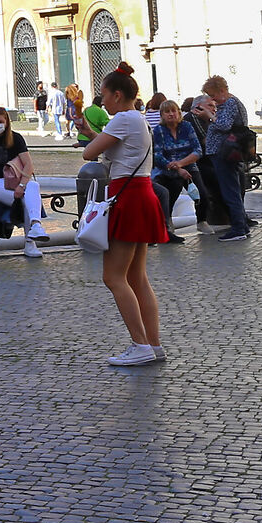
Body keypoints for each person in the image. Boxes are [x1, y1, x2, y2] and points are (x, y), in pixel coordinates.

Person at [82, 71, 167, 366]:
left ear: (117, 95)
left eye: (104, 95)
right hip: (141, 194)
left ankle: (139, 344)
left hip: (127, 197)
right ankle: (152, 344)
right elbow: (118, 151)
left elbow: (89, 154)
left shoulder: (122, 119)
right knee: (137, 277)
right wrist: (95, 134)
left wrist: (91, 137)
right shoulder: (137, 120)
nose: (102, 102)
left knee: (113, 277)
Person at [0, 105, 48, 257]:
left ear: (6, 122)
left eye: (0, 121)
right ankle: (31, 240)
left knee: (32, 186)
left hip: (14, 181)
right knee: (30, 196)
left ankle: (35, 227)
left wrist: (21, 185)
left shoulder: (16, 138)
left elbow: (28, 164)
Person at [195, 76, 253, 239]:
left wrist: (209, 115)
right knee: (231, 189)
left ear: (222, 90)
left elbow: (224, 125)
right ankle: (241, 226)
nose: (212, 99)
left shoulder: (230, 103)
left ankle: (239, 228)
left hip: (224, 152)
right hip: (223, 151)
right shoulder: (230, 103)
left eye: (213, 95)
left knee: (230, 190)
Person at [150, 98, 201, 243]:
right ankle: (164, 228)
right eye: (167, 112)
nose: (171, 114)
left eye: (174, 111)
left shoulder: (186, 126)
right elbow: (158, 155)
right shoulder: (159, 130)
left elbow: (197, 150)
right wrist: (177, 168)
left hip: (187, 165)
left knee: (201, 193)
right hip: (165, 169)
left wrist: (180, 164)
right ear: (162, 115)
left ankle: (201, 220)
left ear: (179, 112)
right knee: (165, 191)